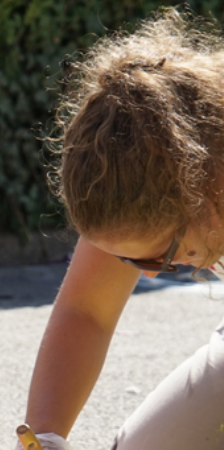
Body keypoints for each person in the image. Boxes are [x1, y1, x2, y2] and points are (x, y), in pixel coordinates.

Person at [16, 7, 224, 450]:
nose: (146, 275)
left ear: (203, 189)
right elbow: (86, 312)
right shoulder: (143, 174)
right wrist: (43, 438)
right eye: (130, 259)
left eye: (158, 257)